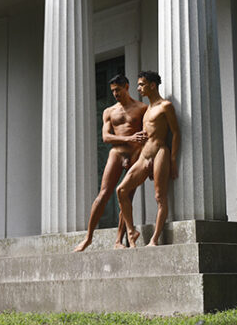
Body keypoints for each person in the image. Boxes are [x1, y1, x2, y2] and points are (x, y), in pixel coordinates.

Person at [73, 74, 148, 252]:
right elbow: (106, 137)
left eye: (118, 90)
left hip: (135, 154)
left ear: (127, 87)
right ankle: (88, 238)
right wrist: (128, 138)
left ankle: (118, 240)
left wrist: (139, 154)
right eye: (113, 91)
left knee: (127, 196)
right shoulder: (109, 111)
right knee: (104, 193)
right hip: (116, 153)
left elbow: (145, 136)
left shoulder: (141, 108)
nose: (115, 94)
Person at [116, 71, 179, 247]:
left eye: (142, 84)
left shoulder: (165, 106)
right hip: (144, 155)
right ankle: (131, 231)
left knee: (160, 197)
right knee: (121, 190)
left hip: (160, 152)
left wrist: (173, 160)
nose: (138, 88)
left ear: (152, 85)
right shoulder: (146, 110)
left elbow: (175, 133)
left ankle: (154, 239)